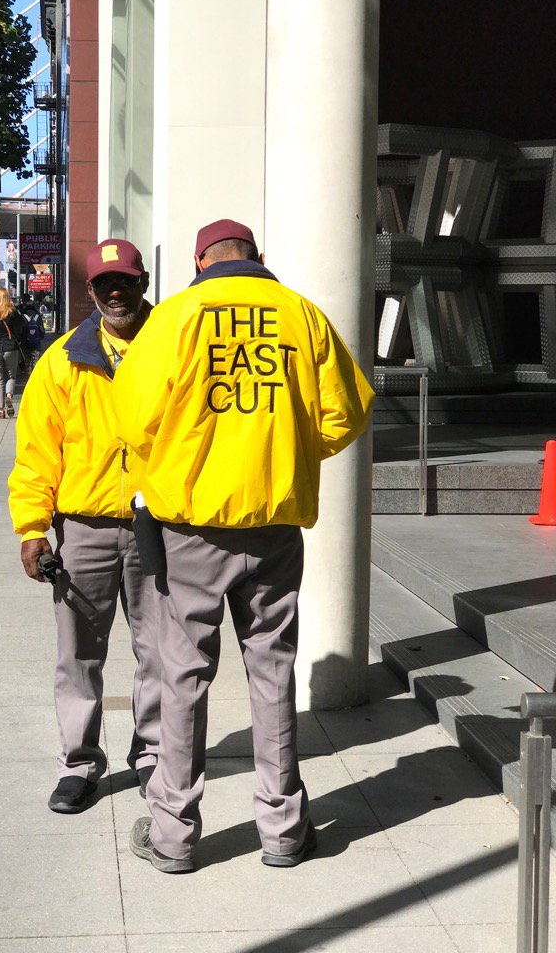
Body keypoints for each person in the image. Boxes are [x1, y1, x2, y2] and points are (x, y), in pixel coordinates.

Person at [113, 218, 375, 873]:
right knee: (273, 669)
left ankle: (173, 835)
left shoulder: (173, 319)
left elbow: (130, 418)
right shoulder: (301, 315)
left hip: (190, 528)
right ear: (259, 257)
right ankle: (284, 829)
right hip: (274, 525)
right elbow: (345, 414)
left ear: (201, 262)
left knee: (183, 676)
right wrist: (285, 452)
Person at [8, 238, 161, 814]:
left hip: (160, 525)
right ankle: (79, 764)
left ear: (143, 280)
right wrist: (31, 528)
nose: (115, 291)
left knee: (162, 652)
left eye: (124, 279)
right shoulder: (62, 360)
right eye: (103, 284)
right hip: (85, 529)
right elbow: (36, 453)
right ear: (91, 291)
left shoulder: (174, 345)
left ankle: (152, 757)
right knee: (78, 654)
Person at [0, 287, 25, 419]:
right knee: (11, 376)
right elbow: (20, 328)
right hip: (10, 348)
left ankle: (1, 409)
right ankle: (9, 395)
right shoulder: (13, 313)